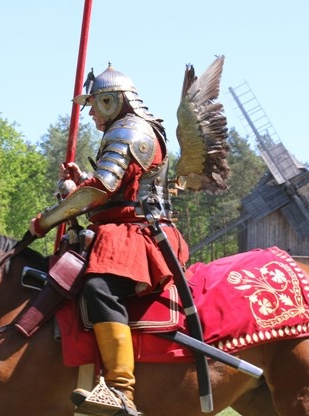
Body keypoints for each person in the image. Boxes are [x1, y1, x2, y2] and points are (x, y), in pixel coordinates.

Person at [29, 64, 189, 416]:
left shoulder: (129, 133)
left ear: (110, 100)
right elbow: (115, 187)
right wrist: (81, 179)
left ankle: (120, 389)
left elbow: (100, 192)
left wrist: (45, 221)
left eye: (94, 106)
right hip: (120, 228)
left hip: (138, 234)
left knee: (99, 287)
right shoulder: (124, 131)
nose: (90, 115)